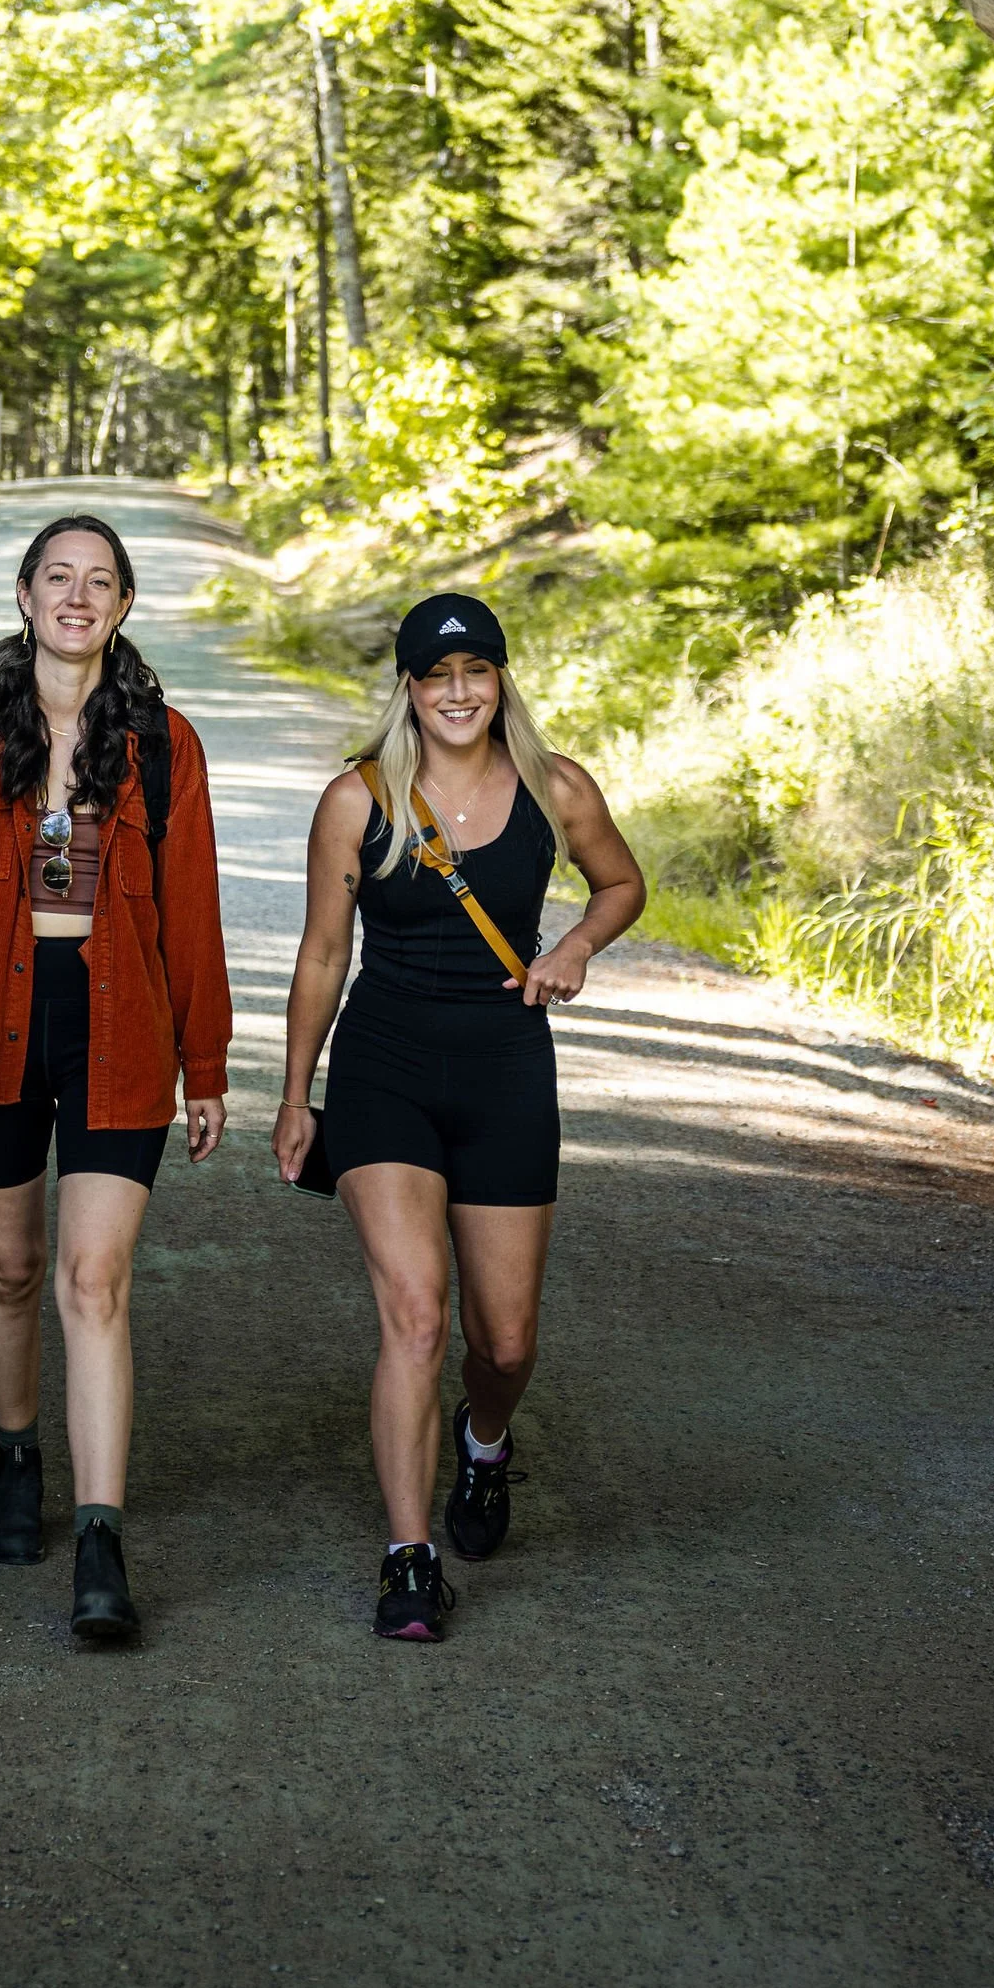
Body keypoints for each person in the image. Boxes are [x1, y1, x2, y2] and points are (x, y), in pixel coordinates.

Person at [273, 592, 645, 1642]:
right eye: (434, 677)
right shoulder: (356, 799)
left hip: (505, 1070)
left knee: (507, 1340)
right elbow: (319, 955)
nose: (456, 693)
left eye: (473, 672)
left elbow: (620, 882)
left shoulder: (554, 785)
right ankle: (407, 1557)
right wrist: (295, 1093)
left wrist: (571, 947)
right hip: (383, 1068)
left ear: (498, 680)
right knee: (415, 1314)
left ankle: (483, 1444)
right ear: (406, 688)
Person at [0, 515, 231, 1644]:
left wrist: (208, 1062)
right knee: (9, 1264)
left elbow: (195, 918)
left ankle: (99, 1541)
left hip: (119, 1027)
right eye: (57, 578)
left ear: (123, 607)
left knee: (94, 1278)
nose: (77, 597)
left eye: (100, 582)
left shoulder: (163, 746)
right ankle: (16, 1454)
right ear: (26, 597)